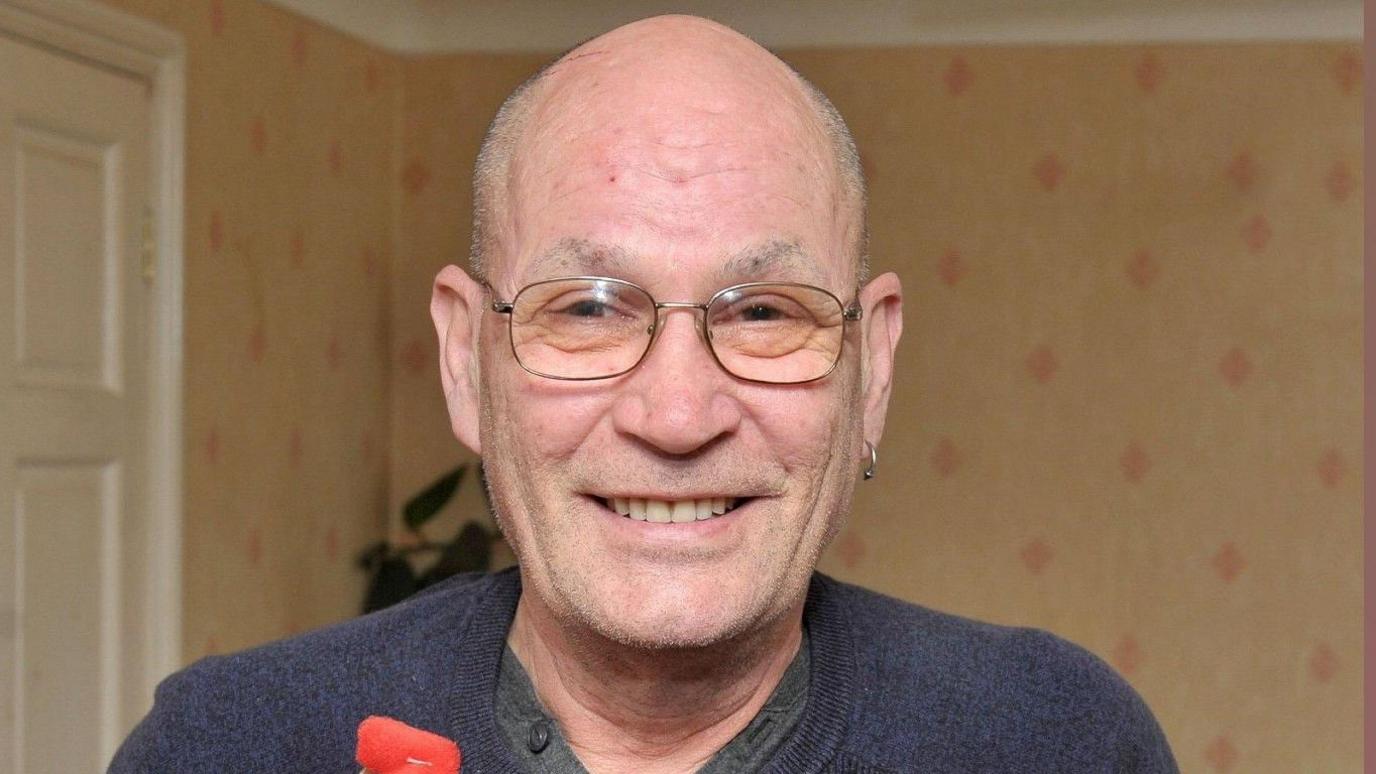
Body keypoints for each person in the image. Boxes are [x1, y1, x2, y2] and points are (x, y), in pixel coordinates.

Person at [111, 15, 1177, 773]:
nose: (675, 416)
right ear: (461, 360)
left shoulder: (1053, 741)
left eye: (762, 311)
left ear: (873, 368)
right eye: (584, 309)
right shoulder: (229, 746)